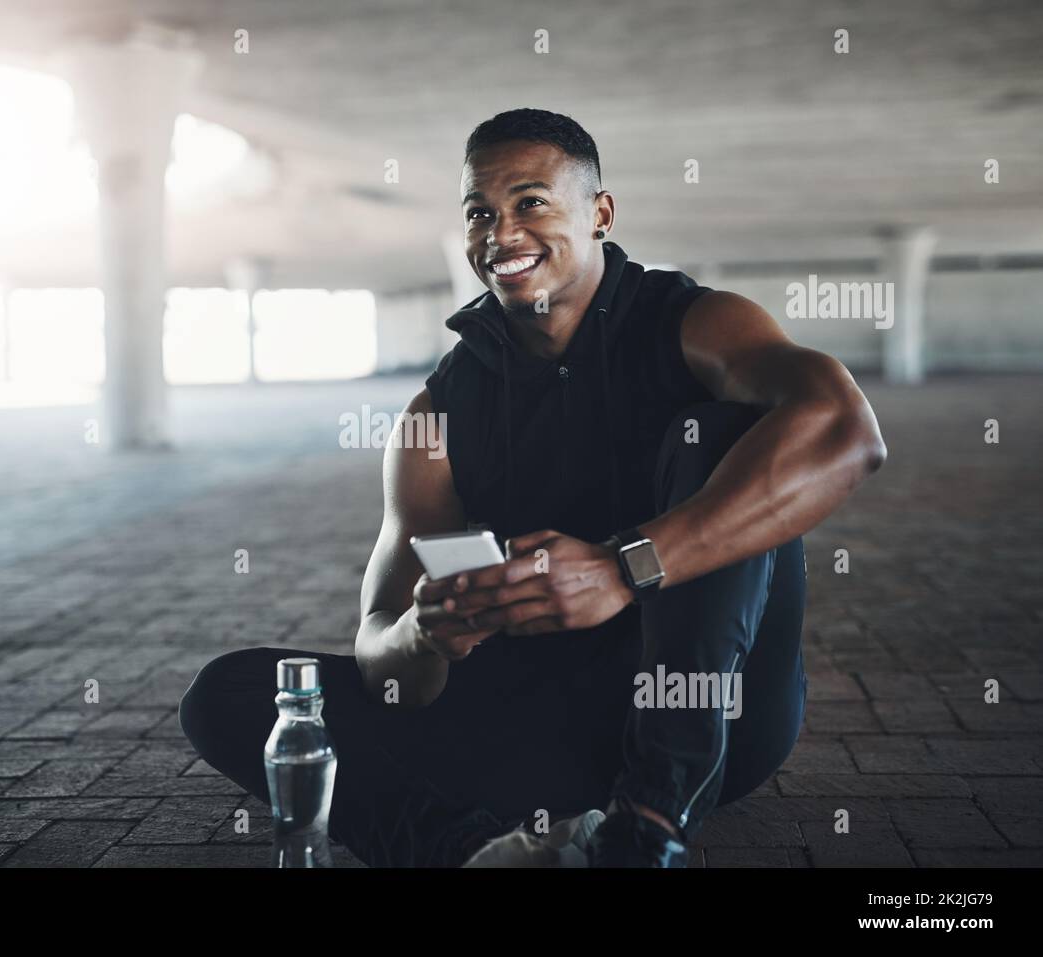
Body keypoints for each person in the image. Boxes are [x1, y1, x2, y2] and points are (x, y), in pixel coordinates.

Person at [179, 108, 886, 867]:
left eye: (531, 202)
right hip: (539, 727)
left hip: (710, 717)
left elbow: (845, 429)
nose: (502, 233)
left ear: (600, 214)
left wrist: (625, 566)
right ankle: (473, 854)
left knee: (724, 431)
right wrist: (425, 635)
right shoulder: (436, 416)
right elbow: (384, 650)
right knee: (235, 693)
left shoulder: (693, 325)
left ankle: (646, 828)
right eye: (480, 213)